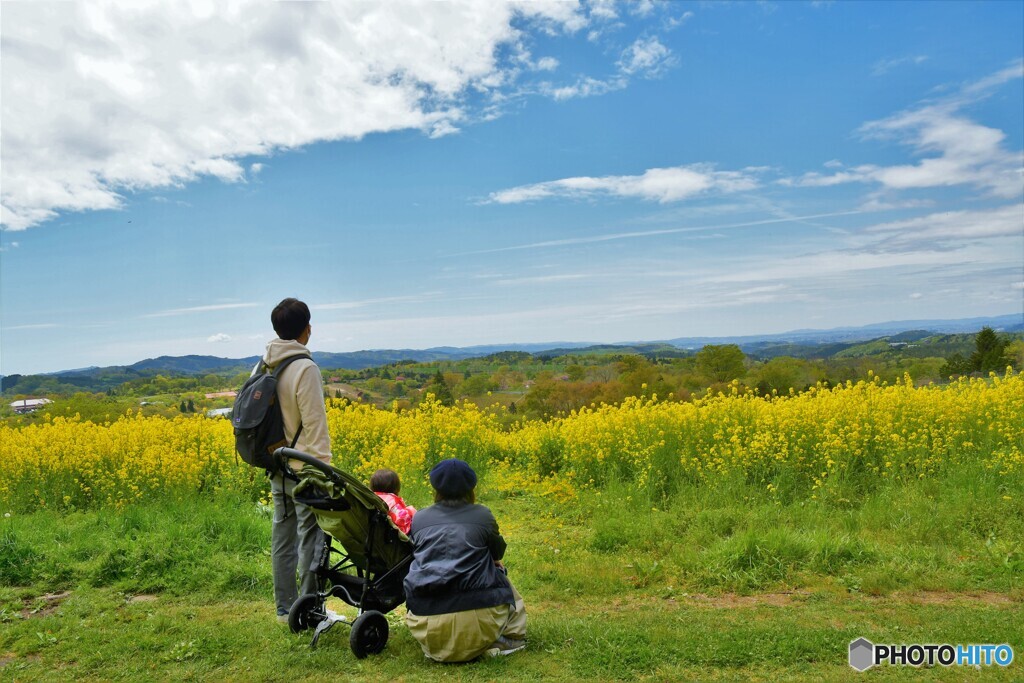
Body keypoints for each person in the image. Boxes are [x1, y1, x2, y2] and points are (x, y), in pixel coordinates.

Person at [403, 459, 527, 662]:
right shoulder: (482, 514)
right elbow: (498, 552)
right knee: (499, 571)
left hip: (426, 624)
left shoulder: (420, 518)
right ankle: (508, 639)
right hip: (480, 619)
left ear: (435, 487)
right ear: (471, 487)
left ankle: (440, 645)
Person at [263, 298, 332, 624]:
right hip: (304, 469)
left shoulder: (264, 365)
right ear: (307, 329)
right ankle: (311, 612)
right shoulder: (305, 368)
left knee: (283, 537)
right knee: (311, 539)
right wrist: (325, 473)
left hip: (276, 465)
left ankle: (284, 608)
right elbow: (316, 425)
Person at [370, 468, 417, 535]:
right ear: (396, 488)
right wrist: (411, 511)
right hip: (391, 535)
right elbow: (402, 520)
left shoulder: (370, 498)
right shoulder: (392, 500)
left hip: (375, 531)